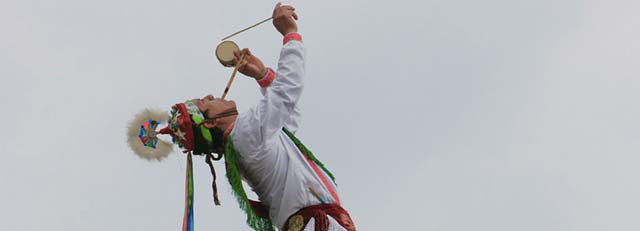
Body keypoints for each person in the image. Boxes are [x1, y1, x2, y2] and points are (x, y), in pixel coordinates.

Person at [128, 3, 355, 231]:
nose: (209, 95)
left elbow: (288, 118)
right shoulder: (244, 134)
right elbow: (287, 90)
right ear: (210, 122)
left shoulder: (245, 142)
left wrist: (263, 75)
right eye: (205, 102)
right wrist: (290, 34)